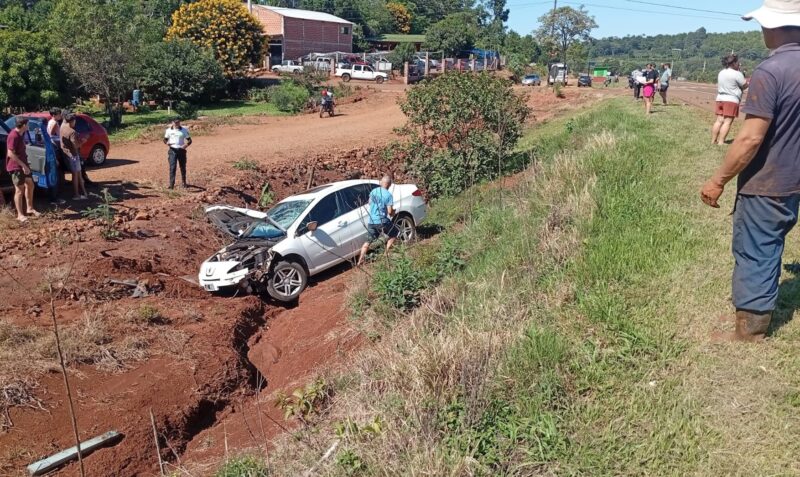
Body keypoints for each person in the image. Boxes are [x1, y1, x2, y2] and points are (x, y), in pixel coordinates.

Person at [700, 0, 800, 342]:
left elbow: (749, 139)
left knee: (757, 249)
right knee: (773, 241)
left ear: (772, 26)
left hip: (767, 183)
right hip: (794, 181)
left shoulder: (770, 72)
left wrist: (718, 181)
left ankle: (751, 331)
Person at [357, 175, 397, 266]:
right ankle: (386, 254)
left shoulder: (373, 191)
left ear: (381, 182)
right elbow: (390, 212)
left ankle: (360, 261)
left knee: (368, 241)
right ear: (389, 185)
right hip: (382, 220)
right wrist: (393, 212)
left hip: (372, 221)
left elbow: (370, 203)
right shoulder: (388, 195)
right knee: (394, 234)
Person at [6, 117, 39, 222]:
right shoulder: (13, 136)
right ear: (24, 125)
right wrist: (23, 165)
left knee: (30, 184)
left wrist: (25, 164)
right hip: (16, 166)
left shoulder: (22, 134)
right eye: (28, 124)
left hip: (24, 164)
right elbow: (10, 153)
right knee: (19, 190)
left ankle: (29, 208)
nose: (29, 126)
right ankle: (20, 215)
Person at [711, 54, 749, 145]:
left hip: (720, 98)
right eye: (737, 62)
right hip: (731, 100)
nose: (739, 64)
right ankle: (721, 141)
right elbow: (745, 85)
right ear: (734, 63)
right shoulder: (737, 74)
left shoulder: (722, 72)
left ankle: (713, 140)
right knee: (727, 122)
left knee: (719, 120)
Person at [60, 112, 87, 200]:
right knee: (75, 175)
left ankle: (80, 193)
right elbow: (75, 145)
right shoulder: (72, 132)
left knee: (76, 174)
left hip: (66, 153)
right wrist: (83, 141)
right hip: (73, 155)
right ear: (72, 121)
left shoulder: (62, 127)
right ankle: (76, 194)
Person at [163, 118, 192, 189]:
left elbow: (190, 140)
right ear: (172, 123)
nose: (176, 124)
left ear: (180, 122)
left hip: (181, 150)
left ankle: (184, 183)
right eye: (175, 123)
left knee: (182, 167)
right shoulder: (168, 130)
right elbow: (165, 140)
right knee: (172, 168)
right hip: (172, 150)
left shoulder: (184, 130)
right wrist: (167, 143)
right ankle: (171, 185)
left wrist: (186, 145)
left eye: (178, 122)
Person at [46, 108, 66, 205]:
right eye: (58, 114)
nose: (60, 115)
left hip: (54, 147)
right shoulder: (54, 123)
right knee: (57, 171)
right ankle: (55, 197)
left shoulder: (50, 122)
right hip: (55, 147)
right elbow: (50, 136)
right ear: (54, 115)